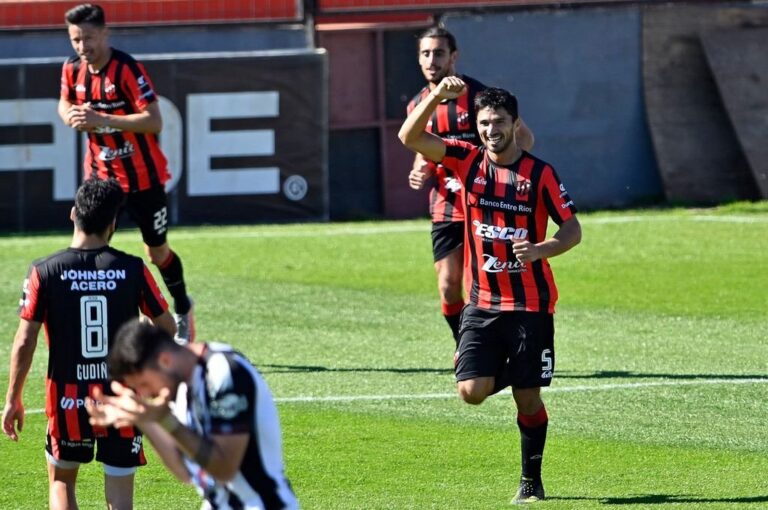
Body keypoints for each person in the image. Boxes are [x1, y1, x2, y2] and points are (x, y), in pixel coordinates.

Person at [399, 77, 581, 504]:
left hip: (531, 303)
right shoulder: (464, 159)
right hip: (482, 302)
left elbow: (572, 229)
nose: (490, 130)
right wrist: (435, 99)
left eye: (498, 121)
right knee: (471, 392)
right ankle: (500, 366)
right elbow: (409, 136)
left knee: (528, 397)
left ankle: (531, 482)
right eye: (483, 122)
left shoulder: (540, 173)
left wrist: (541, 249)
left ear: (516, 125)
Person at [2, 177, 177, 509]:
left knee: (62, 483)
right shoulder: (132, 269)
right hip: (121, 397)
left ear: (73, 214)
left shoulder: (45, 271)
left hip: (67, 399)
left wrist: (13, 398)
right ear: (113, 223)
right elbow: (166, 327)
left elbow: (26, 339)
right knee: (120, 496)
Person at [58, 3, 195, 344]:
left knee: (157, 252)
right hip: (101, 179)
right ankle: (88, 320)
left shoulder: (126, 69)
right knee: (88, 245)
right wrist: (71, 117)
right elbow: (64, 103)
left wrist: (102, 119)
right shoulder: (72, 70)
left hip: (144, 180)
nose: (81, 46)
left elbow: (154, 120)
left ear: (105, 33)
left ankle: (181, 307)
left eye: (88, 37)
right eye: (75, 39)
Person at [406, 26, 534, 347]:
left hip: (486, 206)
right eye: (425, 53)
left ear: (454, 57)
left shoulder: (479, 98)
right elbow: (423, 153)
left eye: (438, 52)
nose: (432, 59)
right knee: (449, 286)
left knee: (491, 283)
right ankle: (466, 345)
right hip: (446, 206)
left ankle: (508, 345)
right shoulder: (419, 105)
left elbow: (526, 142)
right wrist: (420, 170)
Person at [85, 319, 299, 510]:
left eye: (144, 384)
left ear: (165, 361)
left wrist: (165, 420)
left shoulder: (223, 374)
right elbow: (186, 472)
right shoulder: (180, 387)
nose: (147, 394)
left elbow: (224, 469)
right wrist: (144, 420)